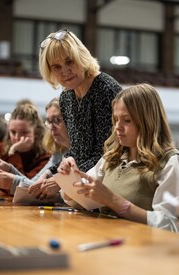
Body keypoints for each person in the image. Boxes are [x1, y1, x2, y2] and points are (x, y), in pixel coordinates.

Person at [58, 84, 179, 233]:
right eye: (116, 119)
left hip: (141, 250)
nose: (118, 127)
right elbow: (79, 202)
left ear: (147, 122)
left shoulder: (170, 162)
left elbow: (170, 226)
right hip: (106, 241)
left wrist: (112, 200)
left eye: (127, 120)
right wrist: (69, 178)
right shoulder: (112, 157)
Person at [28, 29, 122, 199]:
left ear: (81, 56)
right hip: (83, 192)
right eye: (56, 67)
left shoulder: (105, 89)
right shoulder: (66, 97)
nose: (65, 72)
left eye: (69, 62)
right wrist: (50, 173)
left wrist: (61, 181)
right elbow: (77, 152)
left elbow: (108, 154)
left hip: (110, 191)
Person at [0, 97, 71, 195]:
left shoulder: (47, 154)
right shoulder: (58, 152)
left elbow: (61, 195)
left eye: (57, 120)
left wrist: (14, 155)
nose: (17, 138)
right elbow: (34, 184)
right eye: (49, 122)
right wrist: (10, 169)